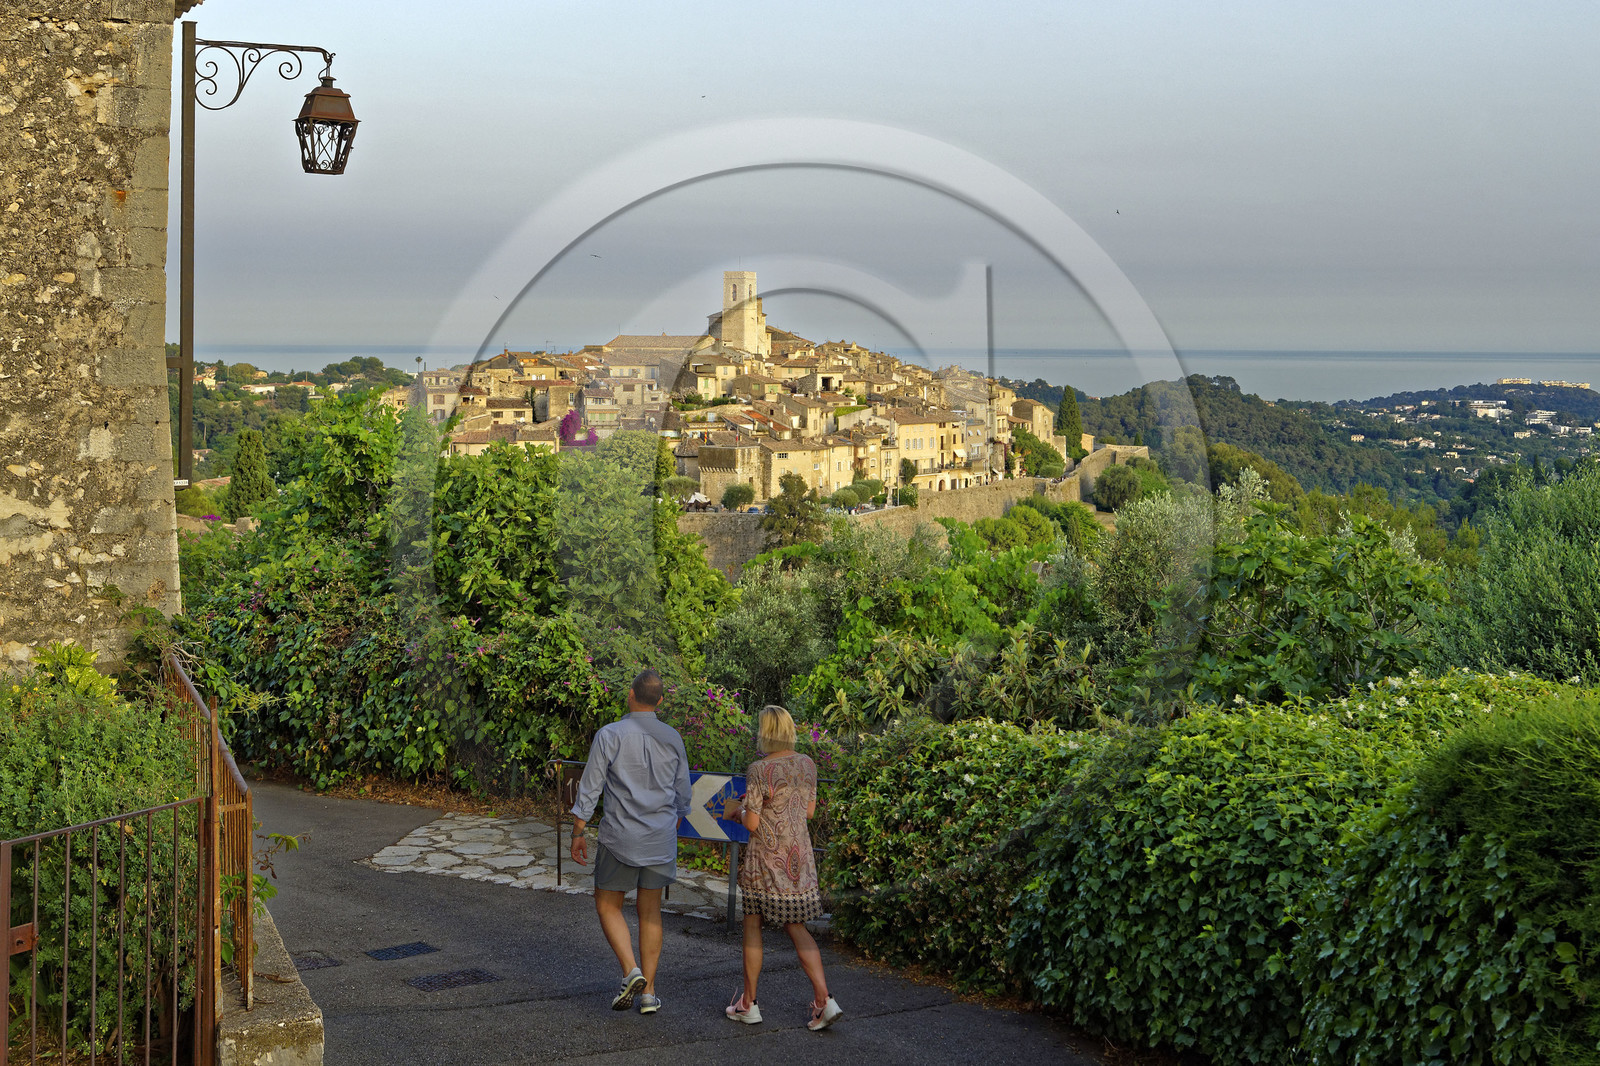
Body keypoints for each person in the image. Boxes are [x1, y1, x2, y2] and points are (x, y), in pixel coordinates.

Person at [569, 669, 690, 1015]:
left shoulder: (610, 735)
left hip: (620, 837)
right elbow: (683, 793)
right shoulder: (673, 738)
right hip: (659, 838)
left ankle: (630, 970)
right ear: (660, 701)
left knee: (608, 905)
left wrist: (579, 830)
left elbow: (590, 786)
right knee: (650, 911)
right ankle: (649, 993)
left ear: (630, 695)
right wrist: (672, 821)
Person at [723, 705, 843, 1031]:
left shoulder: (759, 769)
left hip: (765, 862)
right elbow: (808, 812)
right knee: (797, 927)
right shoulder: (807, 764)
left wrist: (739, 810)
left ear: (766, 732)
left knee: (752, 925)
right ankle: (823, 999)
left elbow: (752, 823)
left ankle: (749, 1003)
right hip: (799, 861)